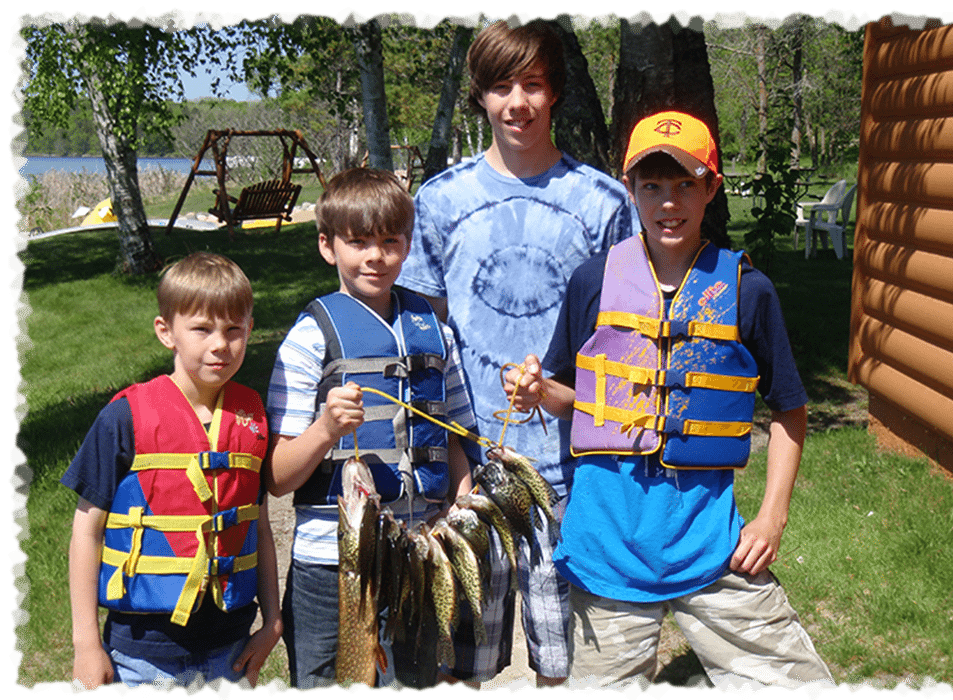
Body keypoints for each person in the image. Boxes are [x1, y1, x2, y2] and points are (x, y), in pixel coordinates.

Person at [504, 111, 836, 692]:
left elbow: (789, 409)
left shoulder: (746, 291)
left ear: (712, 187)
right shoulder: (592, 280)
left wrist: (772, 516)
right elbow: (571, 396)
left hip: (713, 551)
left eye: (685, 184)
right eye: (651, 186)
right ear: (630, 188)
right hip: (607, 553)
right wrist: (537, 391)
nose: (668, 202)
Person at [397, 17, 639, 689]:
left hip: (573, 470)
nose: (518, 103)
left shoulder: (605, 203)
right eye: (502, 86)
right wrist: (448, 462)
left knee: (570, 662)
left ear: (555, 93)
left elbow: (627, 338)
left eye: (533, 85)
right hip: (475, 472)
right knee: (463, 659)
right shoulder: (440, 201)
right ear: (480, 96)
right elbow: (424, 346)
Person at [265, 167, 479, 690]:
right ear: (327, 246)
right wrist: (323, 431)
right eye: (358, 242)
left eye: (389, 241)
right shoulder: (308, 339)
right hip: (330, 565)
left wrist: (462, 499)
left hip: (419, 550)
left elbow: (454, 434)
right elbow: (277, 477)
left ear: (407, 245)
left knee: (416, 682)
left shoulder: (436, 331)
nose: (375, 256)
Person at [62, 252, 283, 691]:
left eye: (234, 329)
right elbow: (86, 532)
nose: (220, 344)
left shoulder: (252, 416)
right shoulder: (124, 417)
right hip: (142, 652)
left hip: (230, 647)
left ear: (250, 330)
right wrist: (86, 642)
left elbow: (257, 524)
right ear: (167, 333)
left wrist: (273, 622)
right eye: (201, 329)